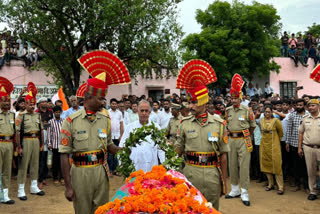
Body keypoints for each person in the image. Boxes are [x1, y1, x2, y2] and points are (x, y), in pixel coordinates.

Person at [59, 50, 129, 214]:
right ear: (89, 97)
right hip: (80, 173)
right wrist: (68, 186)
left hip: (101, 172)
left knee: (102, 210)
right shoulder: (71, 121)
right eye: (100, 99)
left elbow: (109, 145)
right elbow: (63, 154)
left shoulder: (105, 119)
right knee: (83, 211)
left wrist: (124, 151)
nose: (103, 102)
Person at [174, 60, 229, 210]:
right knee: (191, 209)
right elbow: (178, 149)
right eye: (189, 102)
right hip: (190, 174)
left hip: (212, 175)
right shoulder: (184, 123)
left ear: (204, 102)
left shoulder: (219, 124)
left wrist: (224, 181)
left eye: (194, 102)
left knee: (211, 209)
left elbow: (223, 156)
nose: (190, 106)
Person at [225, 74, 256, 206]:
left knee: (243, 166)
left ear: (240, 98)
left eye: (236, 98)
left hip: (244, 139)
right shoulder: (227, 111)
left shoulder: (247, 110)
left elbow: (253, 126)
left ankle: (244, 192)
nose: (233, 100)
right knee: (232, 165)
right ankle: (235, 189)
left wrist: (246, 136)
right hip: (231, 139)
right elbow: (226, 125)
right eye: (232, 98)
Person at [15, 82, 45, 200]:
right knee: (23, 165)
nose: (32, 107)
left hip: (36, 141)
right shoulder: (21, 116)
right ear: (25, 104)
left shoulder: (37, 116)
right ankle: (21, 190)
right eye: (30, 105)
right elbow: (17, 132)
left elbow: (41, 130)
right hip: (25, 141)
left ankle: (34, 186)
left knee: (35, 164)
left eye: (34, 105)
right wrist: (19, 146)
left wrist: (42, 143)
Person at [120, 100, 165, 172]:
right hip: (135, 168)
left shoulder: (156, 128)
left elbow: (161, 149)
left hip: (152, 168)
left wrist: (164, 163)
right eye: (142, 110)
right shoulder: (130, 127)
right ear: (138, 111)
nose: (144, 113)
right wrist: (123, 165)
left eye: (146, 111)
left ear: (150, 112)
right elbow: (122, 146)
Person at [298, 99, 320, 200]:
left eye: (313, 106)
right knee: (311, 170)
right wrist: (299, 147)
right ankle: (313, 191)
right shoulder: (305, 118)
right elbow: (301, 133)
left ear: (318, 106)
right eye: (309, 106)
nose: (310, 107)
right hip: (308, 148)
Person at [259, 105, 284, 195]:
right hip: (264, 146)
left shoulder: (276, 121)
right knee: (266, 164)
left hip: (274, 146)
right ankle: (270, 184)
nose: (267, 113)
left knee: (277, 165)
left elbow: (281, 133)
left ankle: (280, 186)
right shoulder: (261, 121)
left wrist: (276, 142)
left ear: (272, 112)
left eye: (269, 112)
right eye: (266, 112)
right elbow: (260, 131)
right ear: (264, 112)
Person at [286, 99, 309, 192]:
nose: (299, 107)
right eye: (297, 105)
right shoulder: (292, 115)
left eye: (301, 105)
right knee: (295, 166)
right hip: (294, 144)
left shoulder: (308, 115)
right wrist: (287, 142)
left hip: (306, 144)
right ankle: (297, 184)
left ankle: (306, 186)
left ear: (304, 106)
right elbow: (289, 129)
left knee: (305, 166)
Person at [0, 77, 15, 204]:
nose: (7, 104)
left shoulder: (12, 115)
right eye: (4, 101)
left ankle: (5, 195)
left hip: (9, 144)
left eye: (8, 102)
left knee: (7, 170)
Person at [47, 106, 64, 185]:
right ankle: (55, 178)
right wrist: (49, 143)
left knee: (62, 162)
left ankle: (62, 177)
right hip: (54, 145)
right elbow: (49, 133)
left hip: (63, 145)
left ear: (61, 112)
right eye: (56, 112)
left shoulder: (64, 121)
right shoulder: (50, 122)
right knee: (55, 162)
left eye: (59, 112)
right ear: (53, 113)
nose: (57, 113)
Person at [108, 98, 124, 176]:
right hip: (110, 136)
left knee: (117, 153)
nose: (114, 105)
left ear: (117, 105)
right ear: (110, 104)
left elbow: (121, 124)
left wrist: (121, 135)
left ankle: (116, 170)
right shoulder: (107, 112)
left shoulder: (119, 113)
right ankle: (110, 170)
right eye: (112, 104)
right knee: (110, 154)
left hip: (117, 136)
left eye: (115, 104)